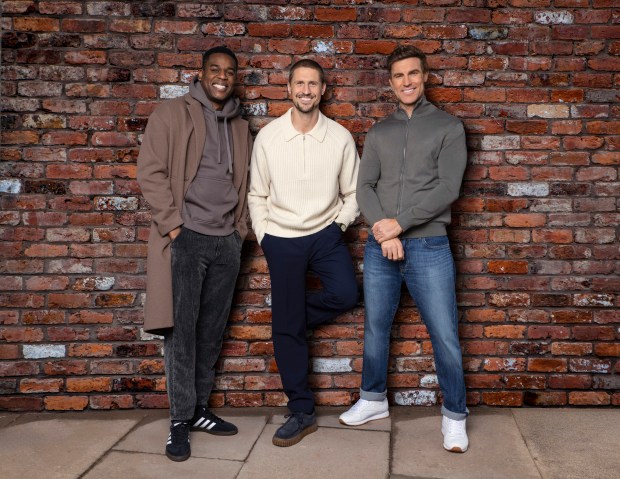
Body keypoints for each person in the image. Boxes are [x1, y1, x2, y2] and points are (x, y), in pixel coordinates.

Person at [339, 45, 470, 453]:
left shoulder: (449, 127)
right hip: (382, 246)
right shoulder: (379, 132)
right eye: (398, 76)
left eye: (413, 74)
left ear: (425, 76)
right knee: (376, 327)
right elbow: (364, 187)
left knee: (444, 334)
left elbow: (449, 188)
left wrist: (401, 223)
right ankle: (373, 400)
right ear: (391, 82)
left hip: (429, 245)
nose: (406, 82)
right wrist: (385, 232)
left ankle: (454, 417)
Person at [137, 46, 252, 462]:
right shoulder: (171, 114)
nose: (222, 76)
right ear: (201, 74)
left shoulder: (240, 126)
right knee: (180, 333)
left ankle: (200, 409)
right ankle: (179, 421)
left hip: (226, 241)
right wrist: (173, 227)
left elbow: (243, 183)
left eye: (229, 71)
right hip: (186, 239)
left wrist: (240, 232)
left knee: (210, 332)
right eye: (215, 69)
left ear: (235, 78)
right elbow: (150, 171)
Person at [248, 59, 360, 447]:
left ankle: (289, 322)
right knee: (287, 323)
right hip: (281, 236)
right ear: (289, 88)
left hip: (326, 234)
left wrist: (339, 226)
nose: (307, 90)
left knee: (346, 294)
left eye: (313, 84)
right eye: (300, 83)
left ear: (323, 89)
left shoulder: (340, 137)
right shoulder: (269, 137)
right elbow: (256, 194)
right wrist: (264, 235)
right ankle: (301, 409)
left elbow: (354, 193)